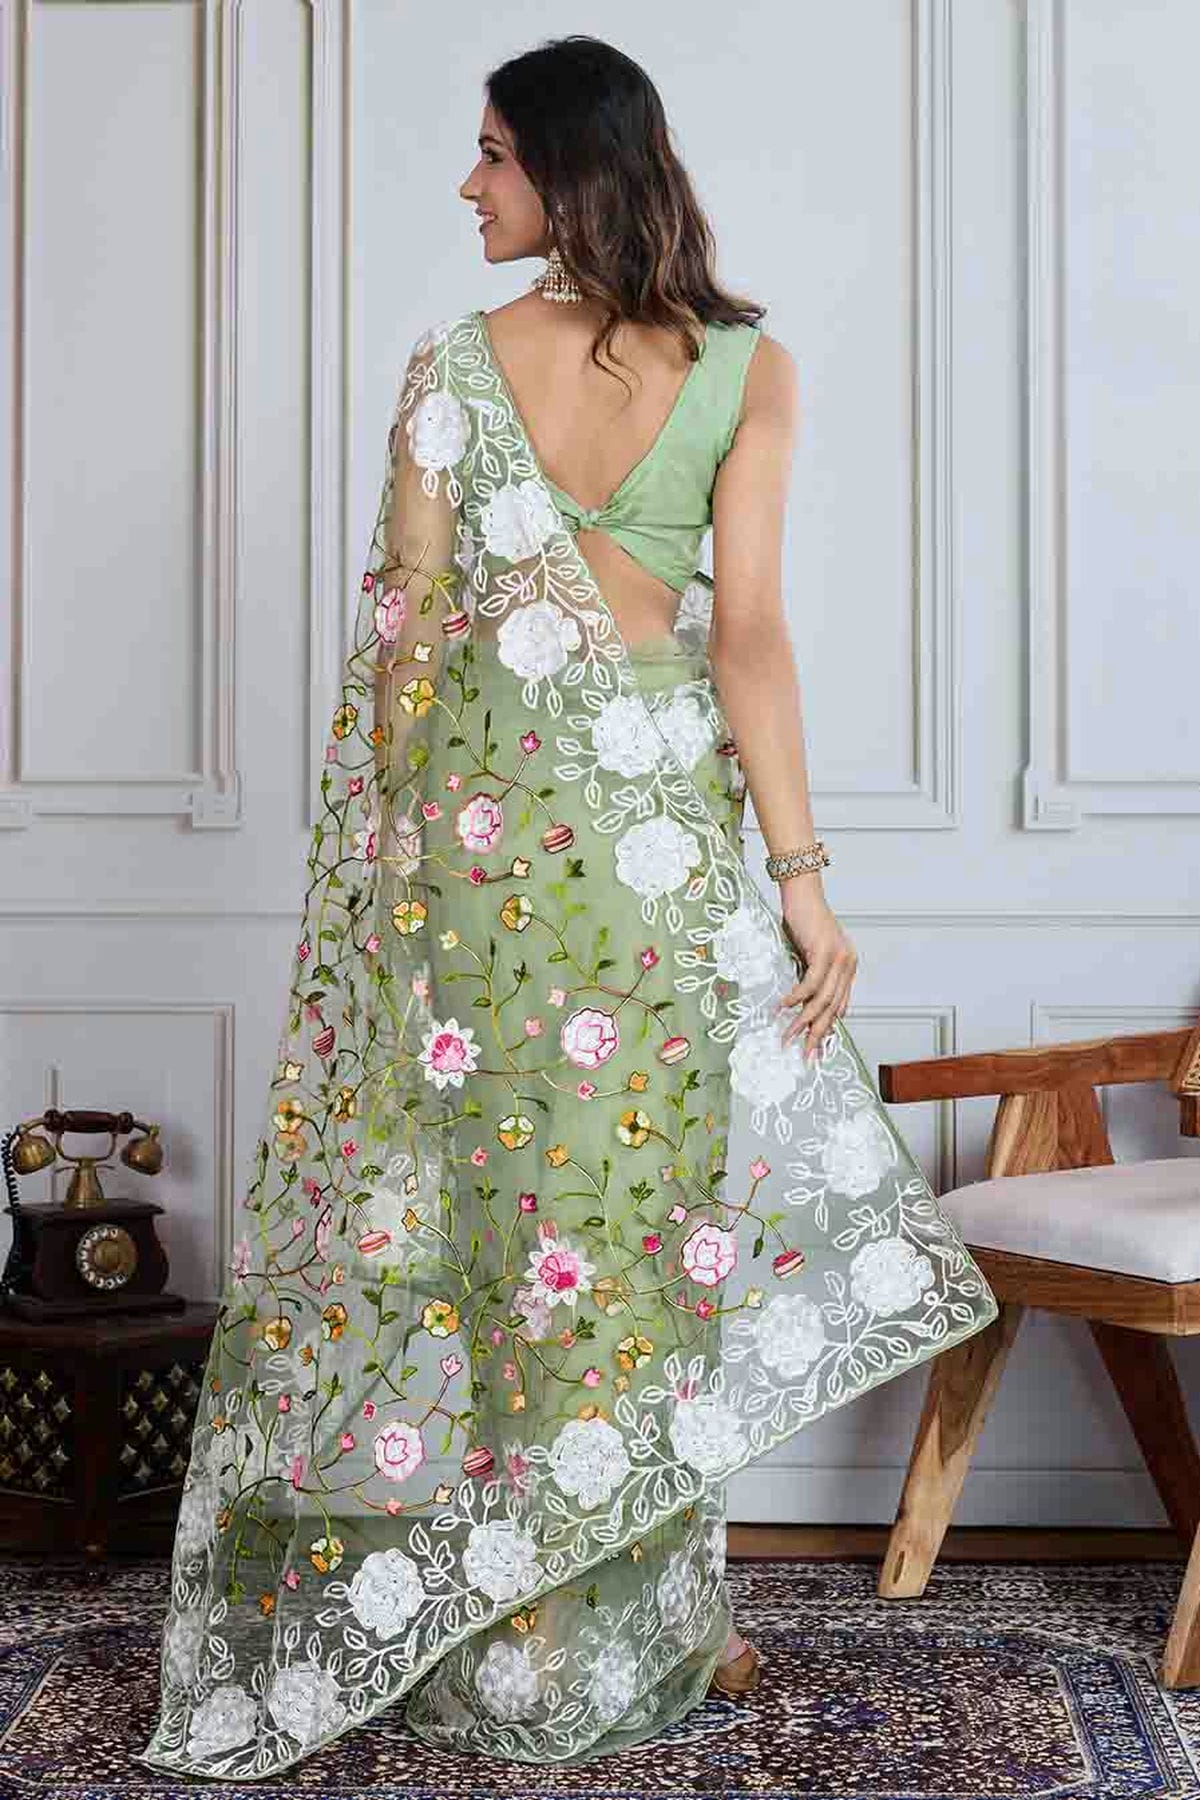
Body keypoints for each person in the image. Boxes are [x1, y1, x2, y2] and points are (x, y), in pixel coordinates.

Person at [135, 34, 998, 1780]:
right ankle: (630, 1622)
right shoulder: (747, 367)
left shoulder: (455, 367)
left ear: (570, 166)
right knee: (634, 1240)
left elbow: (405, 651)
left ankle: (523, 1623)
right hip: (661, 862)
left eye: (494, 155)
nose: (469, 185)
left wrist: (386, 893)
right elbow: (747, 637)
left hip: (482, 869)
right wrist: (803, 883)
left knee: (500, 1245)